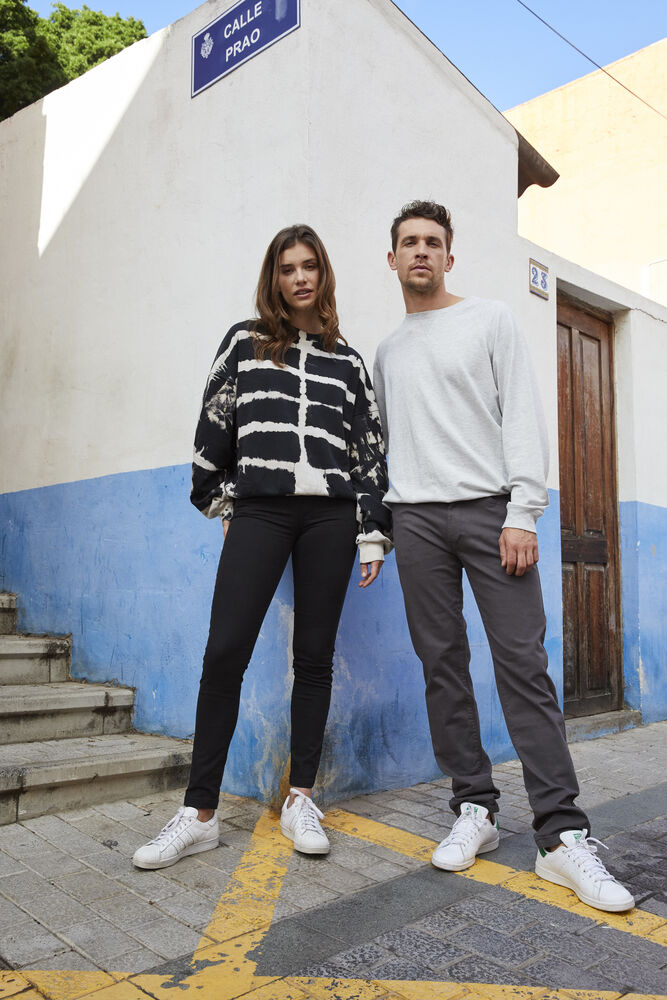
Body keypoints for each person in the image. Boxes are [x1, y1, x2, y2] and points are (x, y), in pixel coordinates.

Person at [372, 200, 633, 913]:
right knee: (442, 666)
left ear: (448, 257)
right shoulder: (387, 352)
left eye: (432, 242)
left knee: (523, 666)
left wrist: (523, 513)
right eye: (408, 242)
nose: (420, 252)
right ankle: (475, 808)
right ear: (391, 259)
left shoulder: (489, 320)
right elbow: (387, 446)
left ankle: (561, 836)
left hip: (492, 515)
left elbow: (521, 414)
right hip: (416, 520)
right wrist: (380, 530)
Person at [133, 224, 391, 869]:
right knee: (225, 652)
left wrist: (371, 531)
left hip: (331, 517)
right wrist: (223, 502)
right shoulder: (244, 343)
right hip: (262, 510)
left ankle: (302, 797)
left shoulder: (348, 361)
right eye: (287, 268)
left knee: (315, 657)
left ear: (323, 274)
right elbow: (213, 423)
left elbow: (368, 451)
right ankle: (199, 812)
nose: (299, 277)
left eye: (309, 266)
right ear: (273, 277)